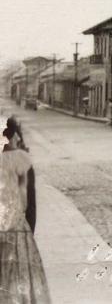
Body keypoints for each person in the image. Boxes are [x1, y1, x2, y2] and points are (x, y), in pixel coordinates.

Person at [0, 116, 51, 303]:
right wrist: (30, 230)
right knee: (21, 283)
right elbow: (29, 202)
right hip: (17, 230)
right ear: (14, 135)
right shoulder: (22, 160)